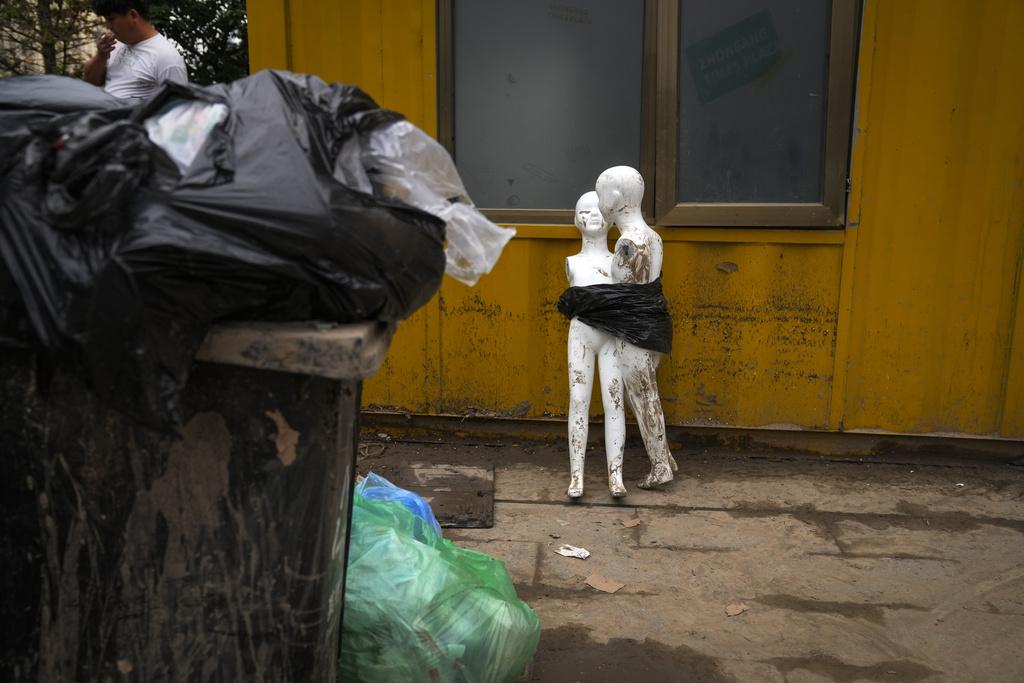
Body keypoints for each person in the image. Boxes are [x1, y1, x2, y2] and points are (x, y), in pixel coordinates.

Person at [596, 165, 678, 490]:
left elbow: (623, 292)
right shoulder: (653, 236)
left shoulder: (627, 244)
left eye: (600, 192)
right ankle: (666, 457)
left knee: (642, 397)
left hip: (633, 331)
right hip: (653, 323)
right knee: (649, 394)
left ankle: (660, 467)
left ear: (615, 197)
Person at [563, 191, 628, 498]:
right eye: (585, 211)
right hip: (581, 335)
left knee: (614, 401)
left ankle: (616, 474)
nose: (593, 217)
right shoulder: (571, 262)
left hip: (612, 335)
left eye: (600, 211)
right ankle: (577, 475)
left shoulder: (618, 260)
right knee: (578, 400)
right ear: (577, 217)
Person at [82, 0, 188, 102]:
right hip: (101, 115)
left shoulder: (166, 57)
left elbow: (179, 108)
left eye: (111, 19)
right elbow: (90, 82)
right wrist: (101, 56)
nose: (108, 26)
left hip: (132, 119)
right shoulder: (115, 43)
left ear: (133, 15)